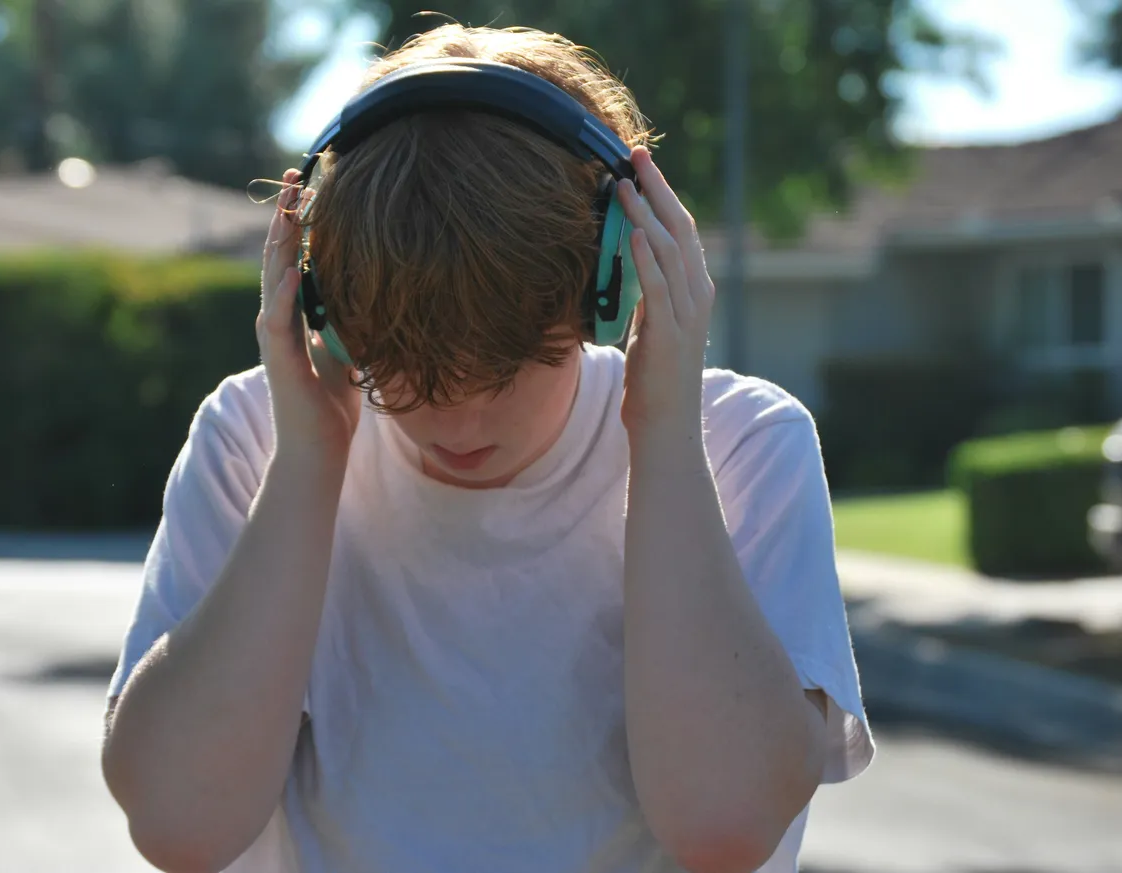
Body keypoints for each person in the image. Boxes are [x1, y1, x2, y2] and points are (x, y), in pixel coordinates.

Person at [100, 23, 874, 873]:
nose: (459, 425)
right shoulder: (257, 439)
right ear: (322, 301)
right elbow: (178, 825)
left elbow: (724, 826)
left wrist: (662, 437)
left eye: (507, 368)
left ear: (612, 277)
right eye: (404, 367)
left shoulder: (739, 447)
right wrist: (309, 461)